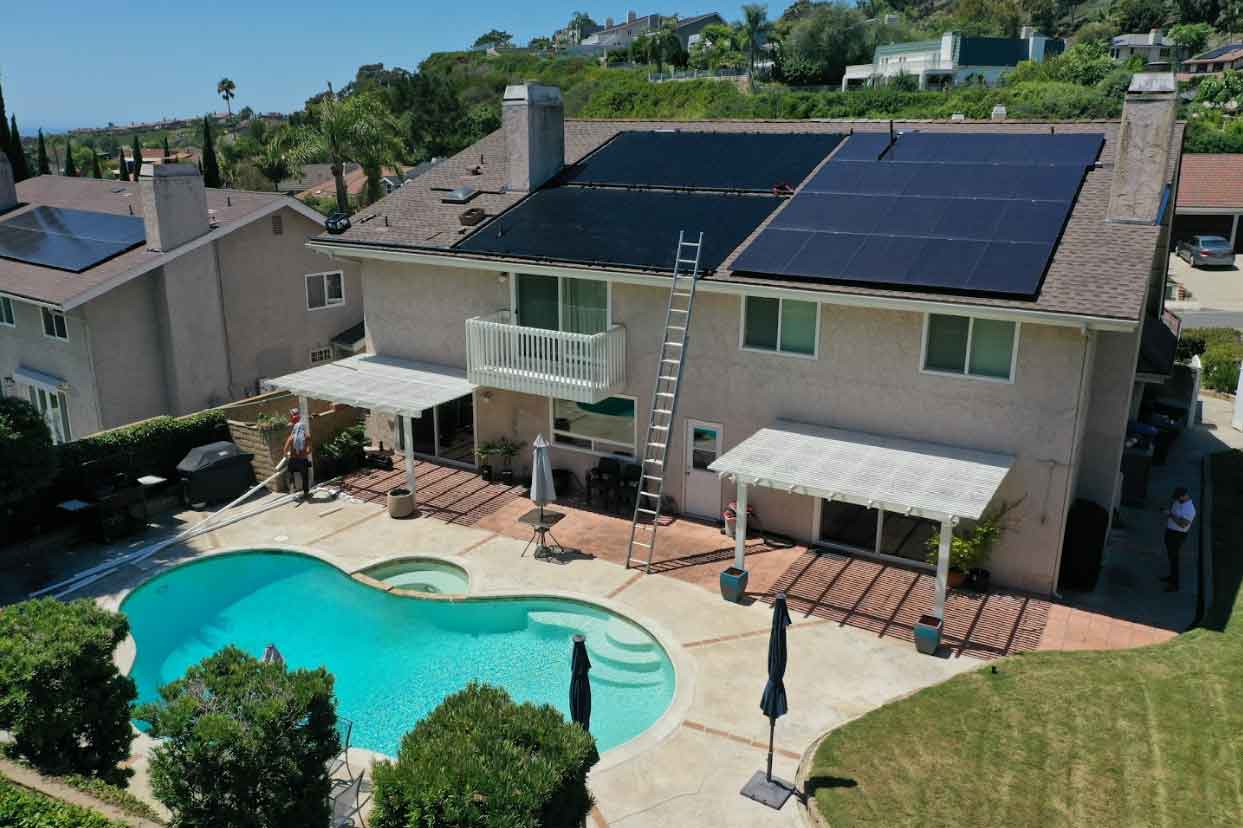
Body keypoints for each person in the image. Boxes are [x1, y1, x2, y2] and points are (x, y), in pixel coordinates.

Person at [1162, 487, 1195, 592]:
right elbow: (1173, 510)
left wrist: (1170, 515)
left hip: (1178, 535)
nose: (1176, 499)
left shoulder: (1190, 509)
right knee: (1171, 557)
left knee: (1174, 559)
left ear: (1184, 495)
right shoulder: (1178, 501)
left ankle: (1175, 584)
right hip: (1170, 532)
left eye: (1178, 497)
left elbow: (1183, 524)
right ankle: (1171, 577)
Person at [283, 409, 312, 498]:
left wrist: (287, 455)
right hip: (302, 460)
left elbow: (285, 450)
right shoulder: (306, 437)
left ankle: (292, 486)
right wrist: (304, 453)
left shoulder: (291, 437)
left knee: (290, 472)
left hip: (293, 459)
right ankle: (306, 493)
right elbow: (309, 450)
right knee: (304, 477)